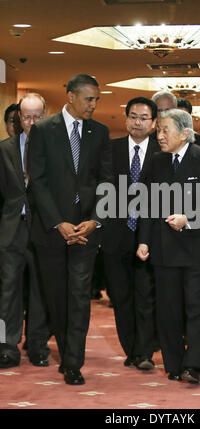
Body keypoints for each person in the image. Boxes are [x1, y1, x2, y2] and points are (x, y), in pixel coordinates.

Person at [27, 74, 112, 385]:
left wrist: (95, 220)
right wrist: (58, 222)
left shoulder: (99, 132)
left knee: (78, 297)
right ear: (71, 96)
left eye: (96, 100)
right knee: (57, 298)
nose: (93, 105)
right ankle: (65, 351)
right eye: (89, 99)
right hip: (52, 231)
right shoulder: (43, 130)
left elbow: (106, 181)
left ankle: (74, 362)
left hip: (86, 230)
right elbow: (38, 181)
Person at [137, 109, 200, 384]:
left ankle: (193, 366)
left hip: (194, 247)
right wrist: (143, 239)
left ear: (184, 134)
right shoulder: (155, 162)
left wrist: (189, 218)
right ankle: (174, 365)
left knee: (195, 308)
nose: (159, 135)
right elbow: (147, 205)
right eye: (159, 130)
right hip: (163, 248)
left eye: (165, 130)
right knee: (168, 310)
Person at [101, 97, 159, 370]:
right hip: (116, 236)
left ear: (154, 122)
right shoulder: (109, 150)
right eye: (133, 116)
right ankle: (131, 349)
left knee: (146, 296)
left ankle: (145, 351)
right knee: (121, 297)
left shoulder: (162, 153)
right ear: (126, 119)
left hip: (150, 237)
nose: (138, 122)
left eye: (144, 117)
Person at [0, 93, 50, 369]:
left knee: (41, 288)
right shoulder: (4, 149)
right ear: (19, 117)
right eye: (26, 116)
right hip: (11, 229)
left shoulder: (55, 149)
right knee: (8, 289)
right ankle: (7, 345)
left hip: (42, 229)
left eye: (37, 116)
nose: (31, 122)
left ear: (45, 116)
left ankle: (37, 344)